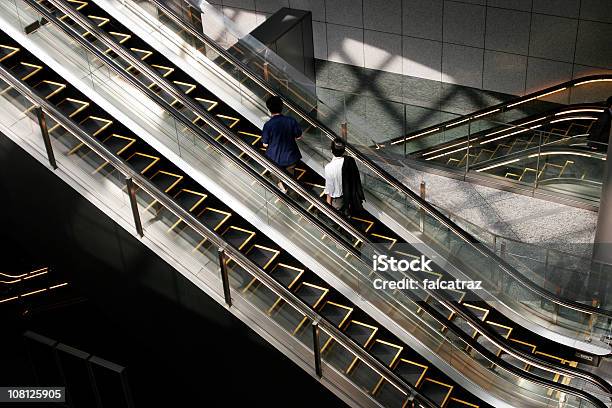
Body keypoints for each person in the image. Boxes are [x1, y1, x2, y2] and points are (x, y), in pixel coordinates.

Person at [262, 95, 302, 192]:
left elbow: (265, 144)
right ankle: (293, 192)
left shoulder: (268, 125)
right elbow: (299, 136)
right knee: (291, 179)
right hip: (290, 155)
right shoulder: (291, 121)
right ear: (281, 107)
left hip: (274, 157)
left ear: (269, 109)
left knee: (274, 172)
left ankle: (281, 188)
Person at [323, 138, 365, 216]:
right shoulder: (350, 160)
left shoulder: (329, 167)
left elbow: (329, 189)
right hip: (350, 197)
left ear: (331, 150)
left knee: (338, 216)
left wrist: (328, 205)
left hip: (339, 200)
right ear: (344, 150)